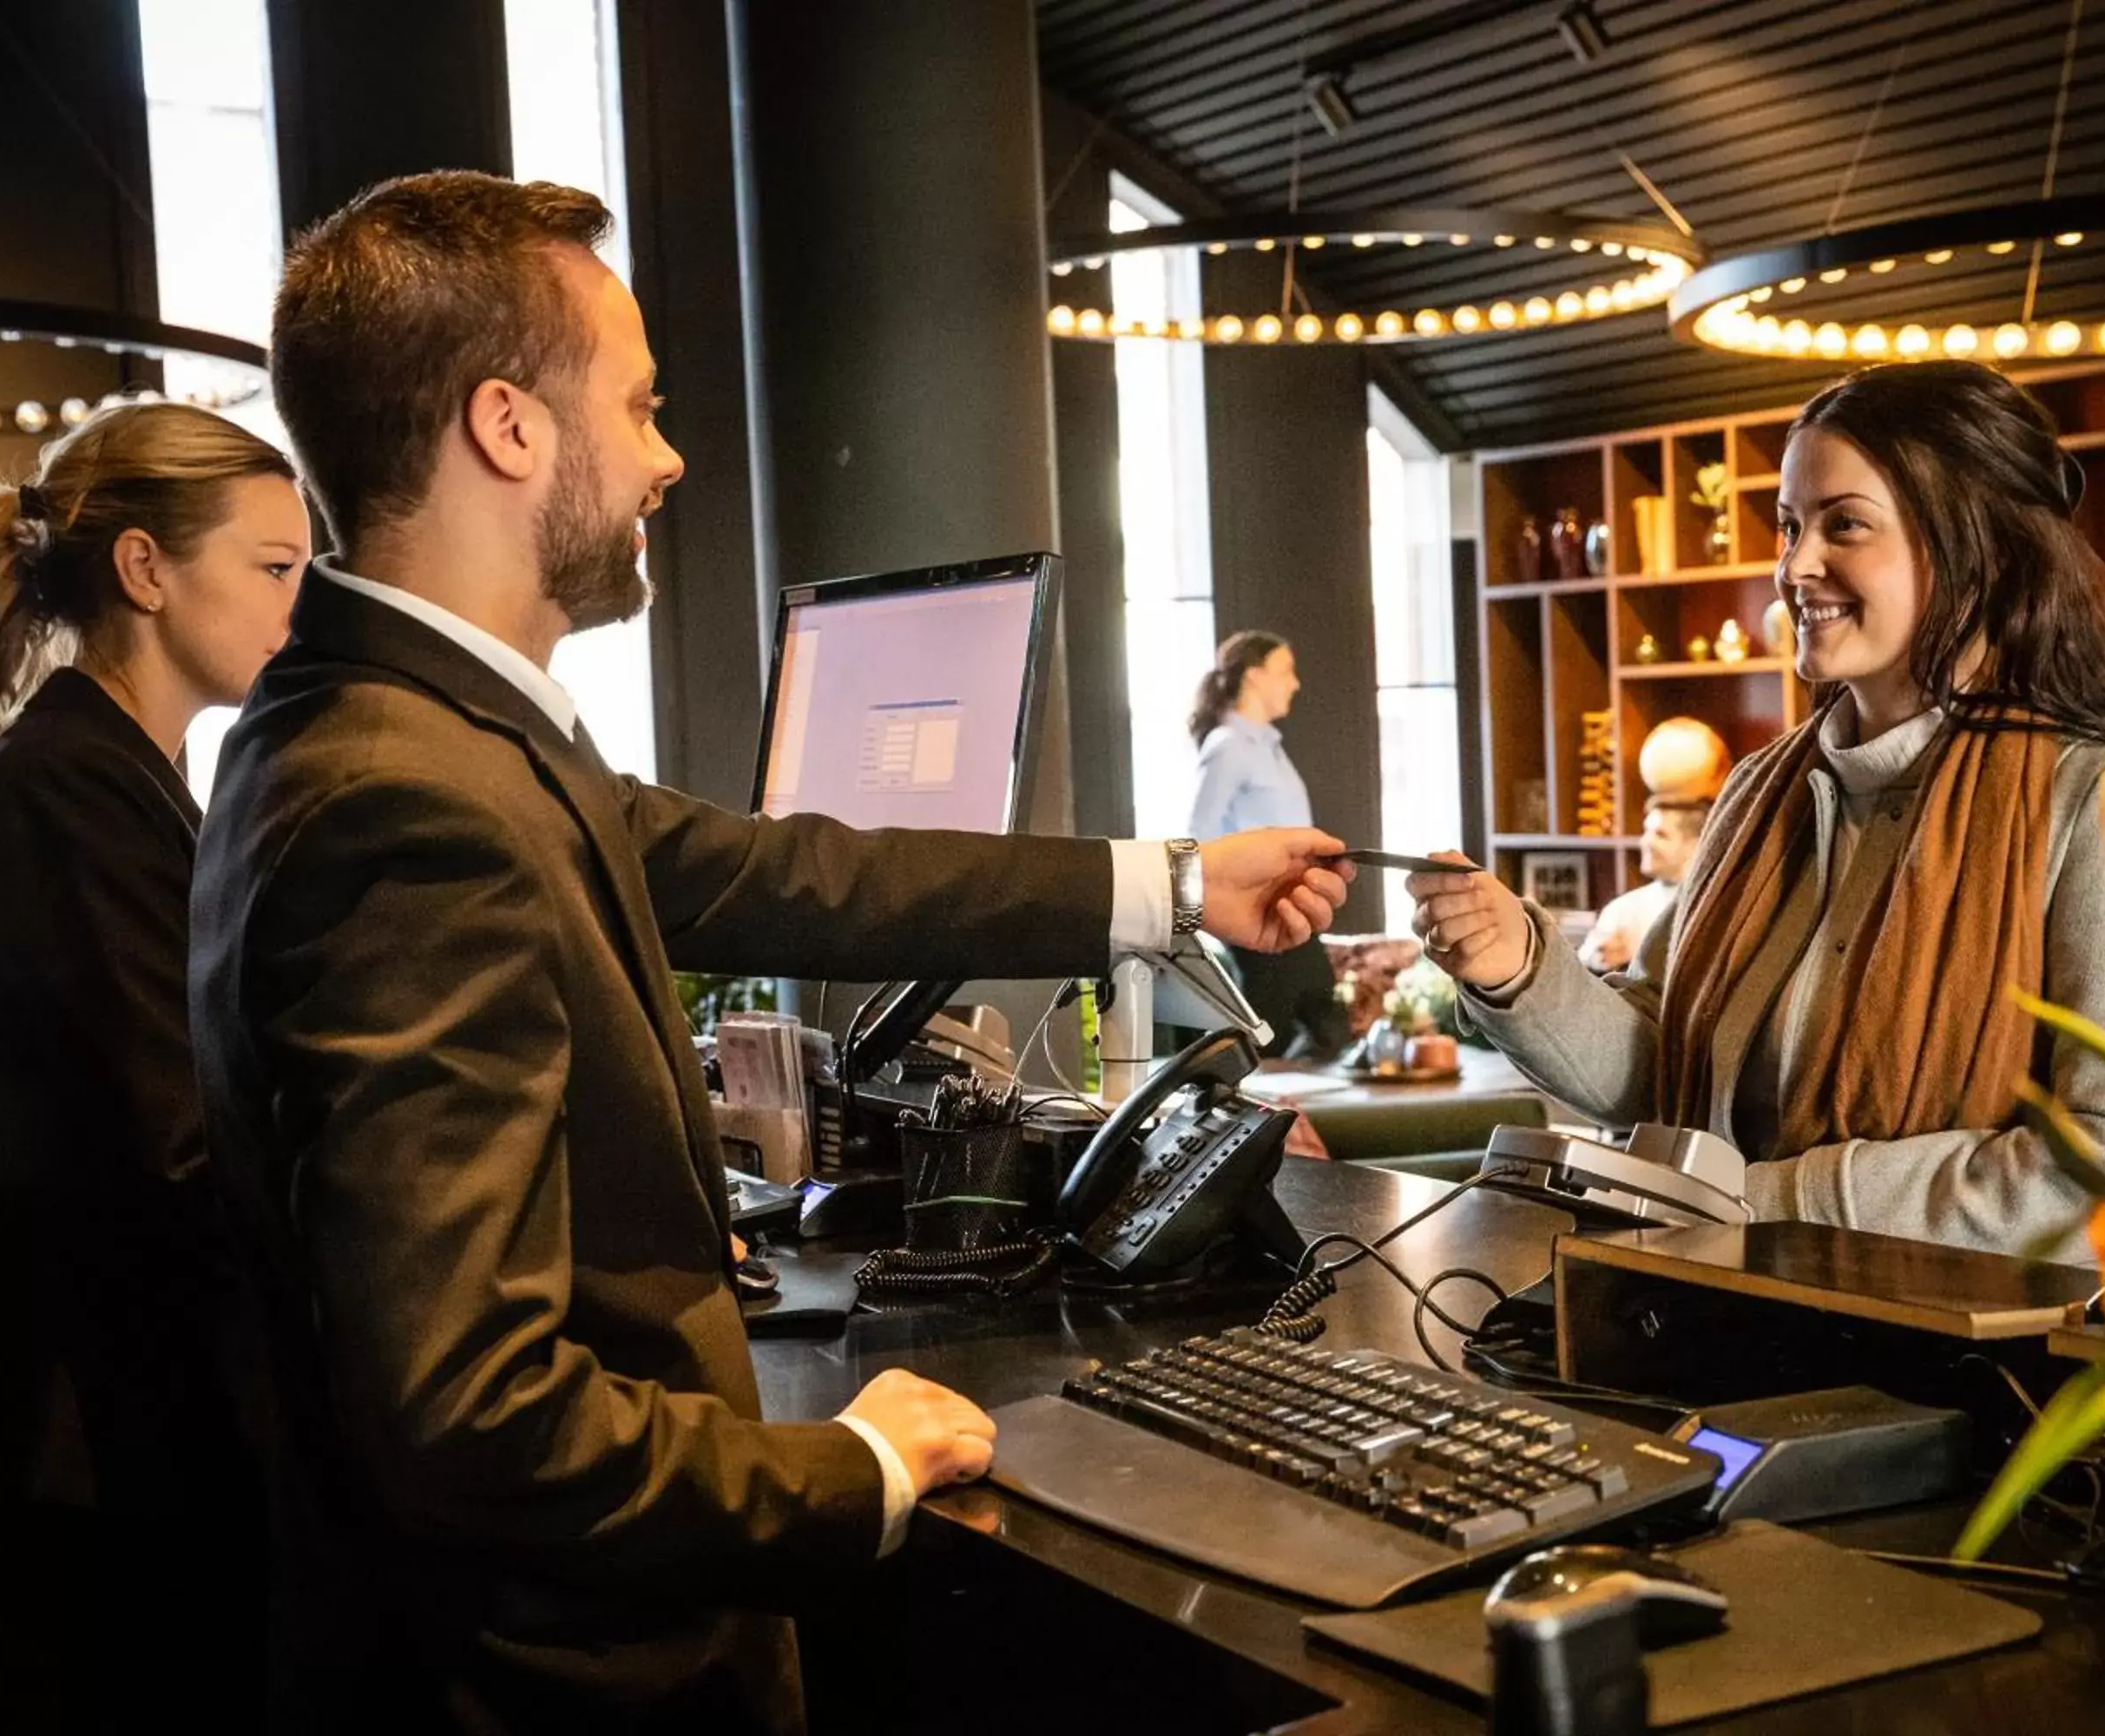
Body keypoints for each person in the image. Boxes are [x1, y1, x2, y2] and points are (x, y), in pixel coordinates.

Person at [186, 171, 1349, 1735]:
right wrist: (844, 1467)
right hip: (558, 1684)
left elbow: (773, 869)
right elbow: (463, 1408)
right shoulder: (407, 798)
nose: (669, 458)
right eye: (643, 405)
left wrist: (1170, 881)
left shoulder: (391, 730)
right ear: (508, 427)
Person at [1407, 361, 2105, 1259]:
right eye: (1789, 526)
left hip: (1968, 1377)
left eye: (1844, 525)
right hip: (1731, 1319)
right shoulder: (1760, 793)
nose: (1794, 566)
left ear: (1977, 551)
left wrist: (1767, 1200)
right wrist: (1518, 966)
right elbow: (1667, 1068)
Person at [0, 402, 310, 1725]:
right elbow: (181, 1140)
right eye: (273, 568)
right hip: (96, 1468)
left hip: (130, 1437)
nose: (300, 604)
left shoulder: (129, 778)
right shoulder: (64, 794)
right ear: (145, 570)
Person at [1187, 630, 1346, 1055]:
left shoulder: (1269, 748)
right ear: (1255, 677)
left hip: (1292, 901)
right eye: (1286, 672)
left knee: (1319, 1009)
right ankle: (1227, 1097)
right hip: (1257, 906)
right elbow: (1197, 834)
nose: (1295, 683)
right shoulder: (1229, 747)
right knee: (1274, 1016)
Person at [1579, 797, 1708, 974]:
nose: (1645, 842)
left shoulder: (1715, 906)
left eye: (1661, 834)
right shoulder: (1624, 909)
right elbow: (1584, 965)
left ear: (1696, 844)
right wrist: (1596, 959)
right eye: (1646, 832)